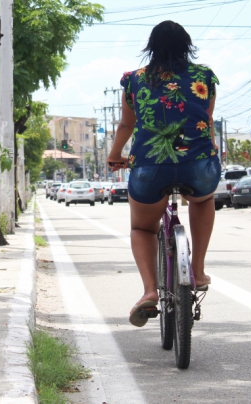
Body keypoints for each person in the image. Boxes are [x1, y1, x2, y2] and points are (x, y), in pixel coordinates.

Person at [106, 20, 220, 328]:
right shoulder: (204, 77)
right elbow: (206, 120)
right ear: (187, 46)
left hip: (149, 166)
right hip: (198, 163)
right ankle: (196, 271)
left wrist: (115, 155)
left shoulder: (134, 80)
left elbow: (125, 126)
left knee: (142, 229)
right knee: (202, 199)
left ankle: (149, 291)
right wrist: (210, 150)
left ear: (151, 48)